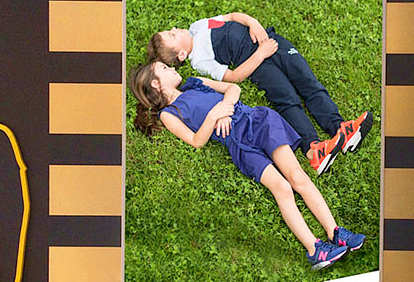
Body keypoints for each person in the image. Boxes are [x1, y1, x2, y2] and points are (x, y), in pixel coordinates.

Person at [128, 61, 366, 269]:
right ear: (156, 84)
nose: (171, 68)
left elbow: (233, 88)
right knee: (281, 188)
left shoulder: (195, 82)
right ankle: (315, 250)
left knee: (297, 176)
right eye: (164, 68)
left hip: (258, 122)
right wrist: (215, 115)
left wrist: (226, 108)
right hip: (239, 144)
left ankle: (336, 232)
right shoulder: (169, 114)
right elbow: (196, 141)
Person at [146, 12, 373, 176]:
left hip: (270, 40)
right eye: (172, 35)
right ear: (182, 55)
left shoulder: (197, 26)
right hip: (258, 63)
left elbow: (231, 17)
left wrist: (252, 23)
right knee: (287, 99)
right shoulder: (200, 61)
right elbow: (233, 77)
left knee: (308, 81)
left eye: (171, 31)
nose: (174, 28)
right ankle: (314, 149)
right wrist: (261, 54)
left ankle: (340, 128)